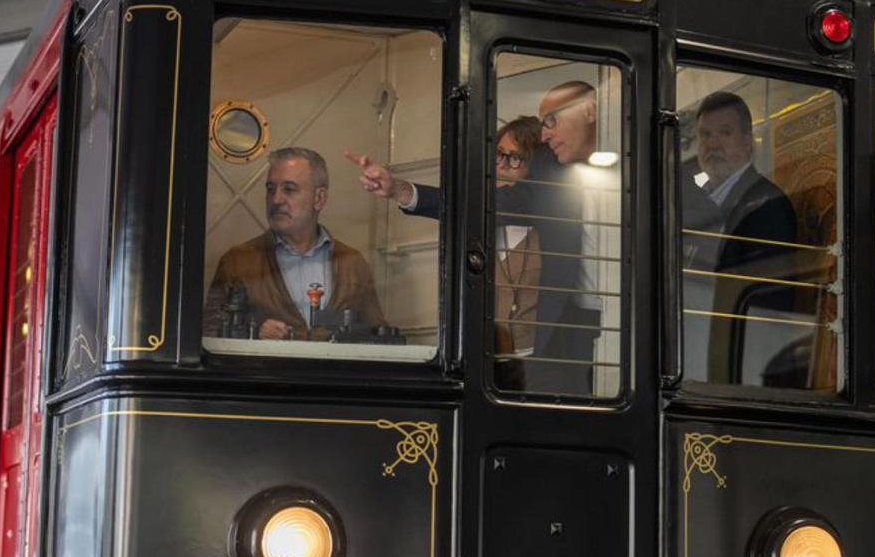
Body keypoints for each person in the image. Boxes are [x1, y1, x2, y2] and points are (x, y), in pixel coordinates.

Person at [348, 81, 605, 394]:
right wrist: (401, 191)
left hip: (637, 323)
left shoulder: (643, 161)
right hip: (569, 334)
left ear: (590, 111)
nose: (545, 135)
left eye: (552, 120)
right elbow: (482, 205)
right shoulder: (550, 173)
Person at [204, 147, 386, 340]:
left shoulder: (353, 264)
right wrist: (254, 334)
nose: (276, 200)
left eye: (289, 189)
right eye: (270, 189)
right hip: (264, 362)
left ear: (319, 199)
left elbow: (377, 336)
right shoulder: (237, 262)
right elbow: (209, 335)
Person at [689, 91, 796, 272]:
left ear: (748, 141)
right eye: (705, 135)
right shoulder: (698, 204)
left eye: (725, 133)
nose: (712, 145)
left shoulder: (767, 205)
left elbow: (763, 286)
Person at [489, 118, 544, 388]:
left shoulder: (545, 226)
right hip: (490, 363)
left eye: (514, 158)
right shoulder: (481, 223)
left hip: (539, 363)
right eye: (499, 154)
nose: (501, 165)